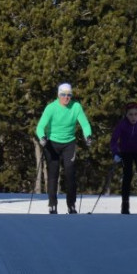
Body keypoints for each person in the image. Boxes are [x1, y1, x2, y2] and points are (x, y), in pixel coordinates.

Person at [35, 83, 92, 214]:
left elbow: (85, 124)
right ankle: (52, 204)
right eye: (63, 95)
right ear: (58, 95)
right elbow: (40, 127)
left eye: (69, 95)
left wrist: (88, 136)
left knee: (70, 174)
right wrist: (42, 137)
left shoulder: (76, 107)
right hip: (52, 143)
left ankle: (71, 205)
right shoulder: (51, 108)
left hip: (69, 143)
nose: (66, 98)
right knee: (53, 174)